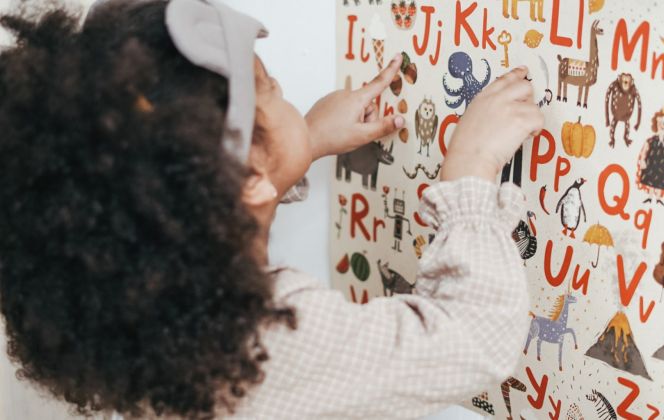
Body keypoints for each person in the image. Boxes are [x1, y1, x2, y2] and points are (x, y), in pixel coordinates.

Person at [0, 1, 544, 419]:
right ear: (248, 177)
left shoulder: (144, 313)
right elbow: (475, 340)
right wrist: (469, 174)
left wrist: (298, 139)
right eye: (268, 85)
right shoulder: (260, 350)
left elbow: (200, 201)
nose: (282, 85)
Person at [637, 107, 664, 206]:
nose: (663, 125)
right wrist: (642, 160)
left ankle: (658, 198)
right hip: (652, 162)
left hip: (663, 166)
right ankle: (650, 196)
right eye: (661, 122)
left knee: (661, 179)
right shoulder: (652, 139)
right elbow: (645, 148)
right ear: (657, 123)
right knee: (651, 177)